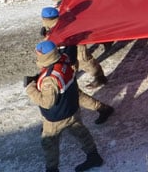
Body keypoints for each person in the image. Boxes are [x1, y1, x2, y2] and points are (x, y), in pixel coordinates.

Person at [25, 40, 103, 172]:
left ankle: (52, 169)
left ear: (44, 56)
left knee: (49, 143)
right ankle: (94, 156)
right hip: (71, 109)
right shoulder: (64, 59)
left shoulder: (49, 80)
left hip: (56, 117)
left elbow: (47, 102)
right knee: (82, 133)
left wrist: (30, 88)